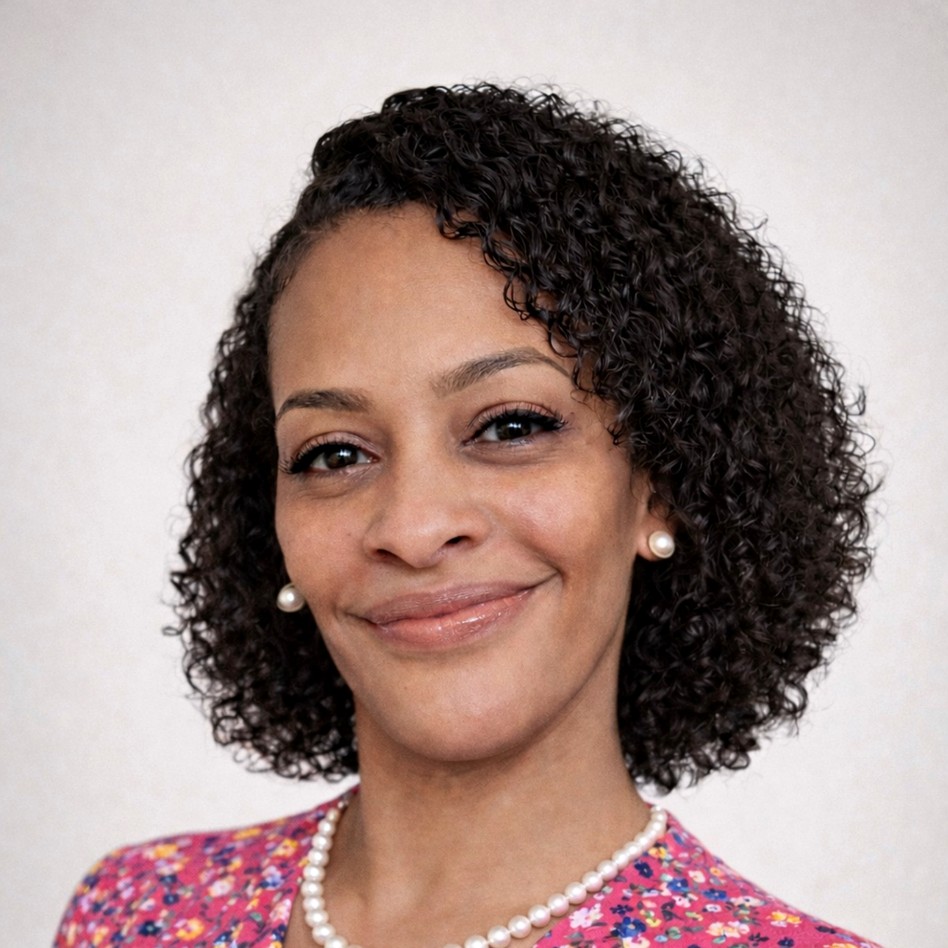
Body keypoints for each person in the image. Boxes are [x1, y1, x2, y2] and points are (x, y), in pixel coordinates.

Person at [55, 84, 882, 948]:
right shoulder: (130, 914)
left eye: (511, 427)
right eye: (334, 454)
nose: (413, 528)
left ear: (660, 483)